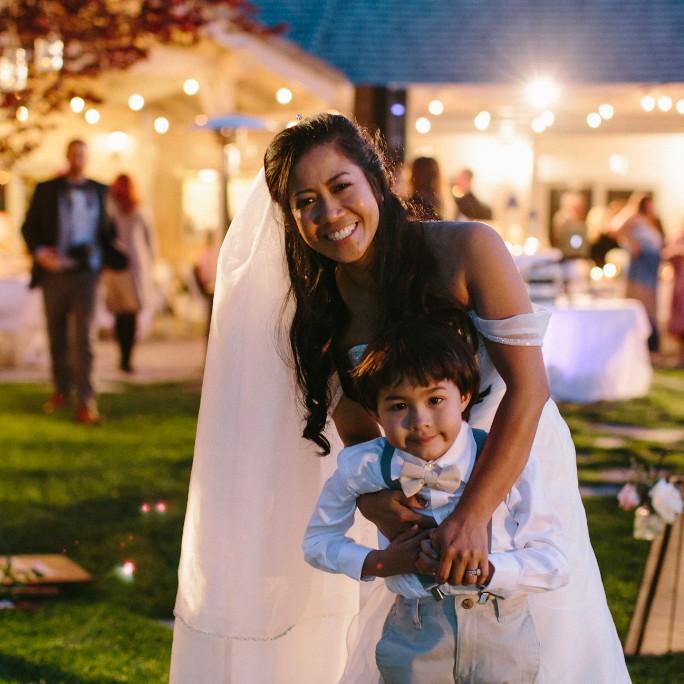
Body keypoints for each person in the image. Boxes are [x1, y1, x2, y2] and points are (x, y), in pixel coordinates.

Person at [170, 114, 629, 683]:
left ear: (376, 179)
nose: (329, 213)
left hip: (512, 465)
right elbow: (356, 424)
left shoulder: (469, 249)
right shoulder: (323, 304)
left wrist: (473, 515)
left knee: (538, 644)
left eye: (340, 187)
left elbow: (530, 389)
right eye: (306, 202)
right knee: (421, 647)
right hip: (418, 486)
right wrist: (384, 509)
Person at [303, 314, 569, 683]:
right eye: (398, 406)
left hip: (501, 633)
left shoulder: (504, 460)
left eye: (435, 399)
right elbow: (317, 542)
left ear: (464, 396)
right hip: (415, 635)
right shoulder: (364, 466)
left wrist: (488, 570)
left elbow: (554, 562)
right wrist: (383, 562)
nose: (420, 420)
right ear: (375, 412)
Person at [21, 139, 115, 424]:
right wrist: (40, 253)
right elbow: (28, 228)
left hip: (87, 273)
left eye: (82, 155)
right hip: (55, 272)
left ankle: (86, 401)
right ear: (67, 156)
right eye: (74, 154)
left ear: (87, 158)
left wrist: (111, 256)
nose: (78, 159)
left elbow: (108, 230)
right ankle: (61, 391)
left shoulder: (100, 190)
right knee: (57, 335)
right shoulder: (46, 190)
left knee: (84, 338)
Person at [102, 173, 156, 373]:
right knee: (129, 314)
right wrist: (151, 262)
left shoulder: (114, 210)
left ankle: (124, 356)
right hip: (132, 267)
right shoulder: (136, 211)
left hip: (120, 267)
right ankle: (126, 357)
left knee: (121, 314)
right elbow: (150, 241)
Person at [615, 193, 664, 352]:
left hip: (651, 268)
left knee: (651, 306)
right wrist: (632, 243)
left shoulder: (650, 221)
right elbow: (615, 228)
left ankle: (651, 346)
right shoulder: (634, 217)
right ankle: (642, 345)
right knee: (641, 304)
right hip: (641, 268)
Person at [663, 231, 684, 367]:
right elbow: (665, 253)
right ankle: (680, 356)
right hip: (679, 285)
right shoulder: (678, 237)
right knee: (680, 319)